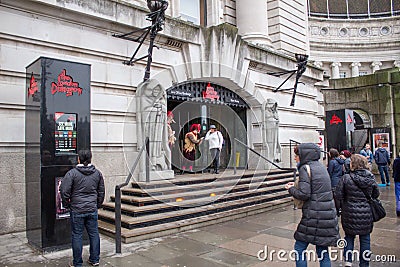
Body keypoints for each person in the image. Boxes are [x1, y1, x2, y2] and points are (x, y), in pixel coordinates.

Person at [285, 143, 340, 267]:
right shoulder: (321, 167)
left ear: (304, 155)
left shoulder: (305, 168)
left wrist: (290, 189)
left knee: (299, 248)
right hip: (327, 215)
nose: (295, 158)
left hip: (313, 215)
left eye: (297, 155)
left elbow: (304, 194)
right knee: (323, 251)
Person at [60, 150, 105, 267]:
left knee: (77, 235)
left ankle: (77, 263)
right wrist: (97, 205)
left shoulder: (72, 174)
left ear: (79, 159)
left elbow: (64, 191)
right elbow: (101, 191)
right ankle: (95, 259)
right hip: (91, 208)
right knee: (94, 234)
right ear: (90, 158)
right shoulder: (97, 173)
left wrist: (67, 204)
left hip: (77, 209)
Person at [334, 154, 379, 267]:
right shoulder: (370, 177)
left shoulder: (346, 178)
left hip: (349, 211)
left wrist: (339, 208)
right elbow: (376, 194)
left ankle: (348, 261)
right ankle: (364, 263)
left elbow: (338, 195)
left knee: (349, 237)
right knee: (365, 239)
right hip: (366, 212)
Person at [392, 151, 400, 217]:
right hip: (397, 179)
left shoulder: (396, 161)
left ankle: (399, 209)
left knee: (398, 196)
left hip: (398, 179)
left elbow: (394, 169)